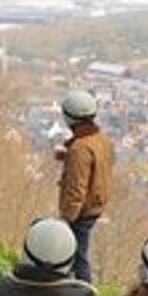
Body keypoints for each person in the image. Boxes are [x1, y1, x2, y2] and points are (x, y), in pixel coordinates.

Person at [55, 89, 114, 283]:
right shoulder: (101, 139)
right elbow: (97, 164)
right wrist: (68, 156)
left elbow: (76, 188)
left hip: (82, 210)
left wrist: (66, 218)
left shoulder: (80, 147)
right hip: (96, 204)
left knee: (77, 258)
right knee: (77, 254)